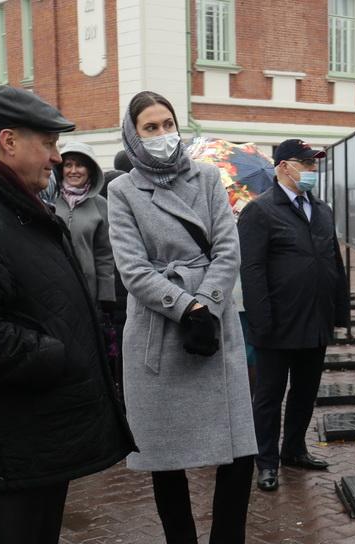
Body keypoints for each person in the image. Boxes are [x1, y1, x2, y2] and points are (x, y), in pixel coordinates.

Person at [0, 85, 135, 543]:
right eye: (48, 143)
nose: (57, 158)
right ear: (9, 141)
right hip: (13, 440)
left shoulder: (16, 208)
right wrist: (52, 356)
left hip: (36, 433)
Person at [107, 91, 257, 544]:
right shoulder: (122, 190)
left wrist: (206, 304)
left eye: (168, 124)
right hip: (159, 330)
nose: (163, 134)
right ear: (134, 135)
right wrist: (186, 307)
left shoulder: (207, 177)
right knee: (166, 457)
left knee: (239, 450)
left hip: (215, 324)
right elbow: (132, 269)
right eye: (150, 128)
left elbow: (228, 248)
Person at [239, 138, 349, 492]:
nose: (313, 170)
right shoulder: (260, 211)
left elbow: (334, 261)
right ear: (284, 166)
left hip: (315, 319)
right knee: (269, 396)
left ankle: (294, 450)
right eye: (307, 163)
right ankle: (266, 462)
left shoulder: (322, 209)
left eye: (315, 164)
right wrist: (261, 321)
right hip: (277, 323)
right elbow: (252, 271)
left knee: (305, 392)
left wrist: (339, 312)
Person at [50, 141, 117, 311]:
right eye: (68, 165)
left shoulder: (101, 205)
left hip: (87, 291)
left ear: (90, 170)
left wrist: (106, 297)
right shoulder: (49, 200)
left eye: (80, 165)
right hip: (52, 286)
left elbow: (105, 255)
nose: (73, 170)